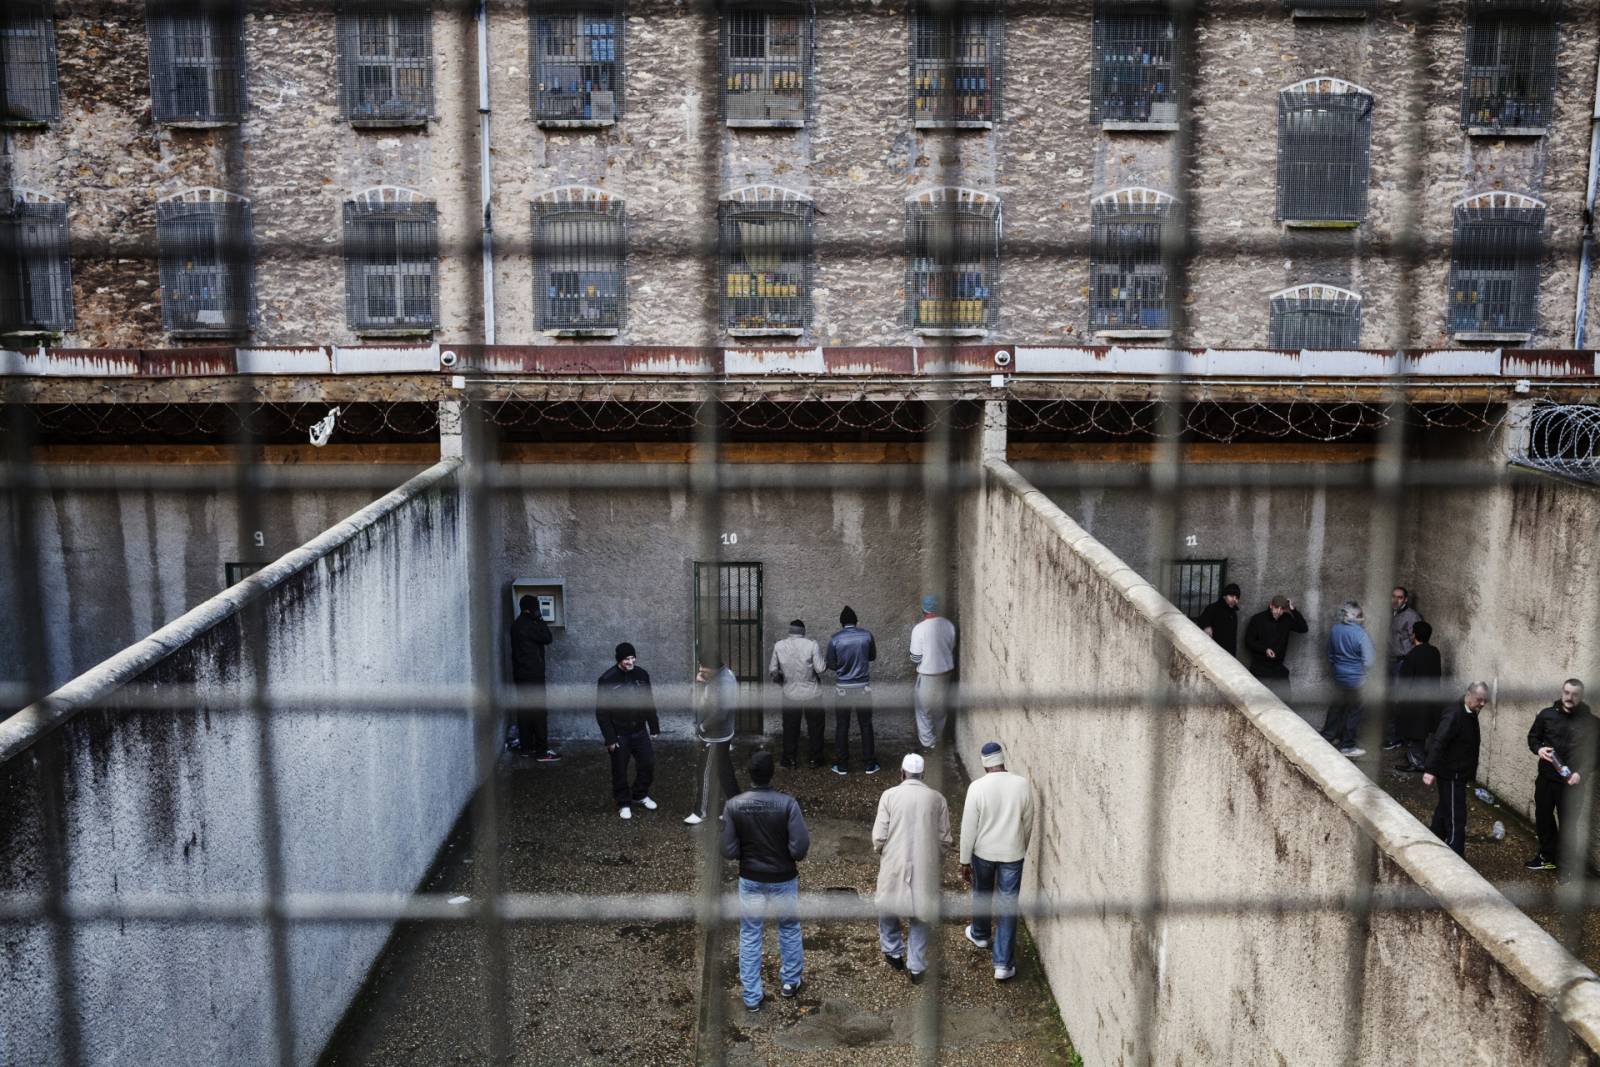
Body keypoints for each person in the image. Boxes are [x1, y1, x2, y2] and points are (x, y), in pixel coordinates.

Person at [722, 752, 811, 1012]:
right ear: (772, 773)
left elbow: (727, 849)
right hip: (783, 877)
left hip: (750, 877)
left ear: (749, 774)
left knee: (750, 934)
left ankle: (751, 996)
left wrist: (746, 854)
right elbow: (799, 848)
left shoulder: (734, 805)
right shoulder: (788, 804)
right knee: (789, 928)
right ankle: (790, 983)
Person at [872, 752, 951, 984]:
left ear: (902, 773)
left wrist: (883, 852)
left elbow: (879, 836)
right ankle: (916, 965)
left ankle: (893, 951)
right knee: (921, 914)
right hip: (925, 864)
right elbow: (945, 839)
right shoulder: (937, 799)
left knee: (887, 905)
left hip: (894, 861)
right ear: (923, 774)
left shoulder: (889, 796)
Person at [959, 741, 1034, 982]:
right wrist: (1021, 846)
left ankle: (980, 934)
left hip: (983, 853)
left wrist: (963, 860)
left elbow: (968, 828)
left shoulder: (977, 788)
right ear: (1003, 760)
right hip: (1013, 854)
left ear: (984, 764)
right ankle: (1002, 964)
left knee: (981, 893)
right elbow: (1028, 823)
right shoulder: (1022, 785)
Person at [1524, 679, 1595, 876]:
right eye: (1566, 692)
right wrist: (1539, 749)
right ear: (1562, 692)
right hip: (1546, 780)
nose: (1569, 698)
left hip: (1572, 785)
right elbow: (1532, 738)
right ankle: (1547, 858)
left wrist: (1582, 773)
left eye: (1574, 694)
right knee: (1543, 819)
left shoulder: (1592, 723)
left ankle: (1565, 867)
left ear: (1581, 697)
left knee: (1568, 826)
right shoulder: (1547, 715)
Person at [595, 642, 660, 820]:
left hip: (639, 730)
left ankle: (639, 795)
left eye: (632, 658)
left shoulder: (642, 675)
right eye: (626, 659)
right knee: (619, 770)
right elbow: (602, 712)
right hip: (619, 734)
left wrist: (654, 726)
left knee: (648, 763)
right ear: (619, 660)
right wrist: (609, 738)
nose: (630, 662)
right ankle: (623, 803)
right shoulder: (607, 679)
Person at [1424, 681, 1489, 858]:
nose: (1482, 704)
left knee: (1446, 807)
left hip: (1459, 771)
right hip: (1452, 772)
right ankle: (1455, 852)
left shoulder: (1470, 711)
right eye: (1479, 700)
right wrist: (1430, 769)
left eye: (1485, 701)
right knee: (1456, 814)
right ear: (1468, 695)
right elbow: (1439, 741)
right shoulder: (1454, 715)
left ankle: (1433, 839)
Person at [685, 649, 740, 826]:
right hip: (721, 734)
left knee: (705, 772)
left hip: (715, 736)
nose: (700, 669)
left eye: (703, 666)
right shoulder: (719, 676)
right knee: (725, 772)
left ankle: (701, 812)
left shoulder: (724, 682)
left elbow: (720, 713)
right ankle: (736, 808)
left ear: (713, 667)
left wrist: (702, 726)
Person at [827, 606, 879, 776]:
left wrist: (843, 667)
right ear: (856, 621)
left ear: (842, 623)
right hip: (863, 688)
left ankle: (842, 766)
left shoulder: (835, 639)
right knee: (866, 725)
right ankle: (870, 765)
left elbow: (831, 664)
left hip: (843, 689)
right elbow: (872, 657)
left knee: (842, 726)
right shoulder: (867, 635)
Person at [769, 619, 828, 769]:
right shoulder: (812, 645)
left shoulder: (779, 645)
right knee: (815, 727)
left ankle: (790, 759)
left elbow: (773, 671)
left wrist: (781, 681)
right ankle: (815, 759)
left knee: (790, 728)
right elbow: (820, 669)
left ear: (790, 631)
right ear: (803, 632)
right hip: (812, 693)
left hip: (790, 693)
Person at [1322, 601, 1377, 758]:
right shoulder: (1361, 634)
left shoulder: (1335, 629)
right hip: (1357, 680)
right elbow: (1370, 661)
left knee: (1336, 707)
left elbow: (1330, 654)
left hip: (1339, 677)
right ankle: (1347, 746)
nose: (1362, 617)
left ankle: (1327, 737)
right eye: (1359, 615)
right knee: (1354, 712)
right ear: (1354, 616)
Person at [508, 594, 558, 761]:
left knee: (524, 712)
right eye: (536, 607)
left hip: (520, 675)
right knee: (539, 712)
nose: (538, 610)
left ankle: (526, 747)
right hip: (533, 676)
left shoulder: (516, 624)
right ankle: (542, 751)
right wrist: (541, 619)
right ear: (530, 609)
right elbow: (547, 638)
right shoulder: (531, 625)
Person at [1392, 620, 1443, 773]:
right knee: (1422, 731)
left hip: (1414, 701)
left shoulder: (1412, 655)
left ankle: (1417, 763)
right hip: (1430, 698)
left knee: (1414, 733)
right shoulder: (1434, 652)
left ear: (1415, 635)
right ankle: (1419, 759)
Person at [909, 595, 957, 753]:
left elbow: (915, 657)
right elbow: (951, 646)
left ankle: (928, 745)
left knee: (924, 710)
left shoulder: (920, 629)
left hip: (929, 675)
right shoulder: (948, 625)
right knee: (940, 710)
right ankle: (939, 740)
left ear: (923, 609)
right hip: (946, 673)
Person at [1242, 595, 1308, 701]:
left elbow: (1303, 628)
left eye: (1282, 609)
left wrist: (1293, 610)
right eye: (1276, 607)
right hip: (1260, 669)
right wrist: (1265, 650)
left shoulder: (1286, 619)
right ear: (1271, 606)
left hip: (1278, 669)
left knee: (1285, 702)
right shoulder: (1258, 619)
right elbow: (1249, 642)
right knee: (1259, 702)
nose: (1278, 611)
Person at [1383, 587, 1424, 750]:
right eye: (1393, 596)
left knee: (1397, 701)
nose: (1395, 600)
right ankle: (1395, 735)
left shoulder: (1412, 617)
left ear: (1405, 599)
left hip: (1401, 662)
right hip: (1391, 661)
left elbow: (1416, 641)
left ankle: (1396, 738)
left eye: (1399, 598)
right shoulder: (1391, 614)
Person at [1195, 582, 1242, 659]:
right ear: (1224, 596)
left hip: (1227, 655)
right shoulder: (1213, 608)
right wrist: (1206, 626)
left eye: (1237, 598)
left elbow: (1232, 640)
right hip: (1211, 652)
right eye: (1231, 596)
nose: (1234, 599)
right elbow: (1202, 621)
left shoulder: (1233, 615)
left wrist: (1232, 657)